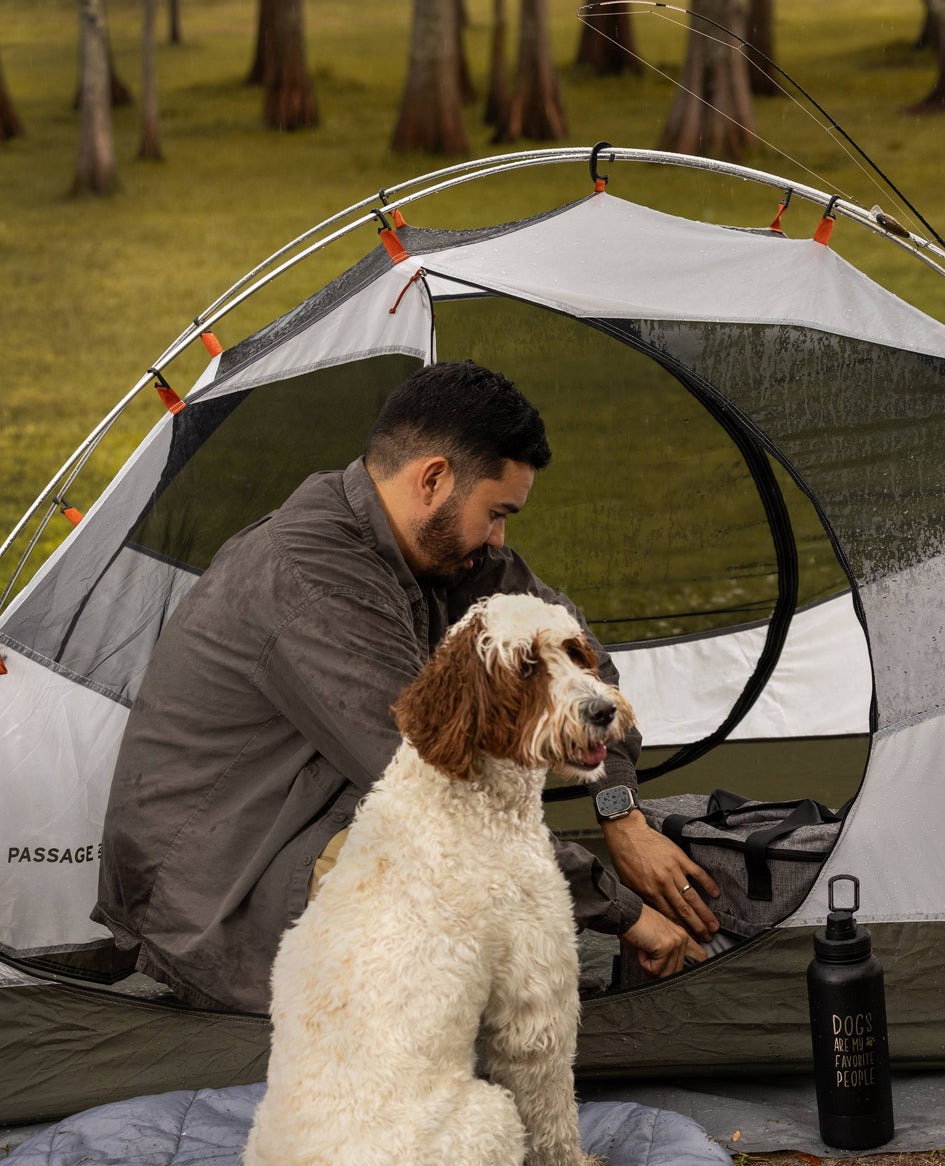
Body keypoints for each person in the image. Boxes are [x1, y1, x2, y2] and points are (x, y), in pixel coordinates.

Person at [93, 362, 721, 1014]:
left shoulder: (448, 553)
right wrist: (622, 913)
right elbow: (444, 799)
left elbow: (586, 670)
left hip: (318, 817)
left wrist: (620, 811)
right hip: (220, 892)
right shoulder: (310, 576)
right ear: (433, 479)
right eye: (497, 513)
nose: (500, 538)